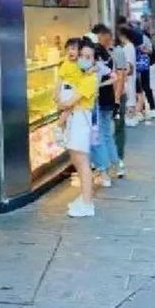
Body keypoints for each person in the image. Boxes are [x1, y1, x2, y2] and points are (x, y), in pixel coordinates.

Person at [57, 38, 99, 217]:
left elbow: (70, 101)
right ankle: (84, 198)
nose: (83, 59)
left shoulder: (90, 79)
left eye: (88, 57)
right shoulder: (83, 74)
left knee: (82, 162)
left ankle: (88, 203)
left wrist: (61, 104)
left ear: (94, 60)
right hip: (75, 118)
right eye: (82, 55)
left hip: (81, 119)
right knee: (77, 159)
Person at [91, 39, 119, 187]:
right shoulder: (108, 61)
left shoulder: (96, 66)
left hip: (96, 104)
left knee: (98, 136)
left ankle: (104, 169)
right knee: (106, 134)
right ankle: (115, 164)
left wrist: (99, 85)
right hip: (108, 101)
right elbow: (115, 77)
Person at [116, 26, 140, 126]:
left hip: (127, 77)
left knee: (129, 97)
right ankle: (131, 117)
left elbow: (128, 65)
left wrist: (123, 75)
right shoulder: (130, 46)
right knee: (130, 96)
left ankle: (130, 118)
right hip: (130, 76)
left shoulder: (127, 48)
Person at [137, 29, 155, 120]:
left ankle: (152, 108)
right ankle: (141, 110)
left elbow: (150, 50)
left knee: (146, 86)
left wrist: (142, 49)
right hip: (133, 66)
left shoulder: (143, 38)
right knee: (136, 89)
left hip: (143, 65)